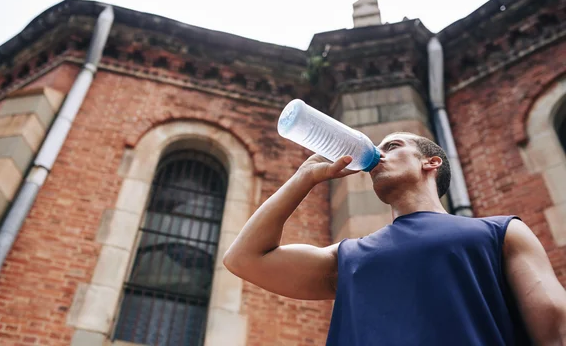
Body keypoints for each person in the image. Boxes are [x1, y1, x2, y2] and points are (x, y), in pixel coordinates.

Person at [223, 132, 566, 345]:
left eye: (393, 145)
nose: (378, 155)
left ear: (431, 162)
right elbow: (244, 259)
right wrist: (304, 177)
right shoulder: (350, 257)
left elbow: (556, 331)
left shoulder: (501, 233)